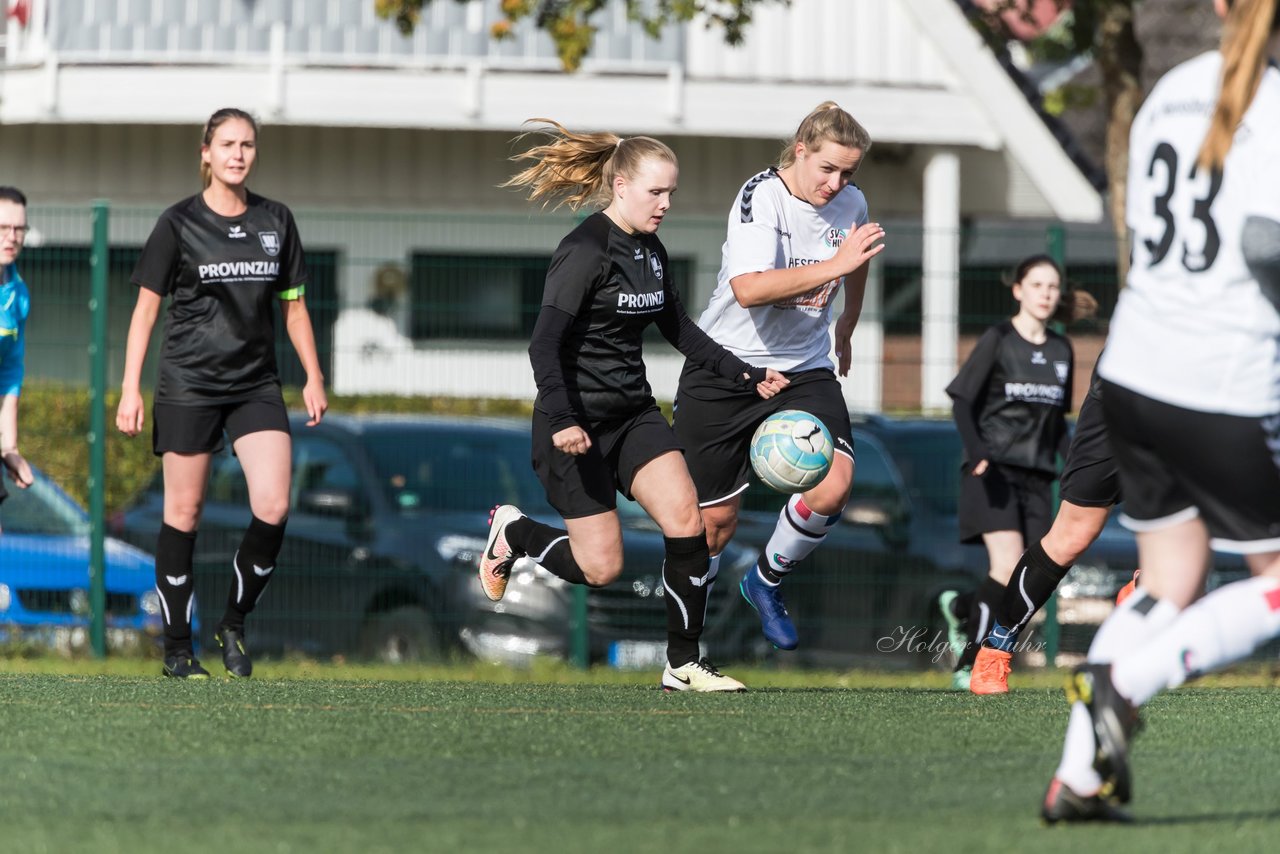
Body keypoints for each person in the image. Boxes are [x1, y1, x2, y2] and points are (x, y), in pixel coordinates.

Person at [1043, 0, 1280, 823]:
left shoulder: (1172, 88)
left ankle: (1077, 778)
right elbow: (1264, 248)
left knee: (1168, 582)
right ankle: (1125, 682)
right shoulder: (1274, 103)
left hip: (1133, 371)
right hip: (1222, 382)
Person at [479, 120, 787, 692]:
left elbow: (679, 329)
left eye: (671, 192)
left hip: (633, 417)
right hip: (572, 423)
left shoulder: (650, 249)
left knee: (686, 520)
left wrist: (746, 374)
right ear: (620, 186)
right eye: (656, 192)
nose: (666, 204)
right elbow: (543, 344)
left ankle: (684, 665)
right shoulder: (585, 251)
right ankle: (515, 534)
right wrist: (565, 417)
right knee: (601, 568)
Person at [116, 107, 328, 679]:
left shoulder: (276, 220)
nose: (239, 154)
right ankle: (178, 650)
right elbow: (144, 312)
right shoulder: (177, 223)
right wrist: (130, 388)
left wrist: (313, 374)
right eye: (228, 144)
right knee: (183, 513)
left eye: (248, 145)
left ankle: (232, 623)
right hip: (188, 383)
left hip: (255, 384)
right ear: (205, 153)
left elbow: (296, 308)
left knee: (275, 505)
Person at [670, 101, 886, 654]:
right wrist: (835, 268)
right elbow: (749, 288)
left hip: (805, 368)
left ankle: (764, 581)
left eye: (849, 173)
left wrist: (848, 323)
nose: (838, 184)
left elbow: (856, 257)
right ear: (800, 151)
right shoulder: (761, 196)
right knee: (714, 524)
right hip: (727, 365)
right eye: (827, 169)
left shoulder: (852, 202)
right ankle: (687, 655)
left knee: (834, 485)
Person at [939, 255, 1074, 691]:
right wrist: (977, 450)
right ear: (1018, 290)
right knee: (1007, 562)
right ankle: (970, 663)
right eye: (1037, 285)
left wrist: (1077, 466)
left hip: (1037, 479)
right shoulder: (998, 339)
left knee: (1028, 573)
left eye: (1053, 287)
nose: (1046, 294)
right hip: (991, 471)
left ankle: (963, 608)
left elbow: (1056, 424)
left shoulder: (1061, 350)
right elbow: (962, 399)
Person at [965, 366, 1117, 695]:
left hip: (1194, 401)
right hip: (1123, 398)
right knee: (1072, 536)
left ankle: (1143, 599)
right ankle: (995, 650)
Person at [0, 186, 35, 522]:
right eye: (2, 228)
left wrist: (9, 448)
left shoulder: (17, 295)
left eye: (19, 228)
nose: (12, 237)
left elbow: (10, 372)